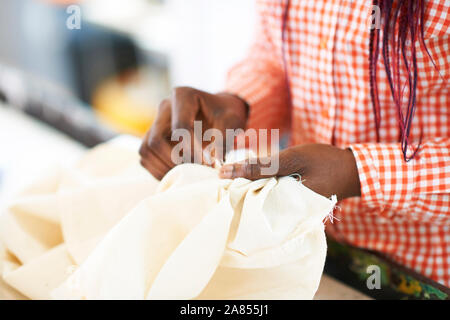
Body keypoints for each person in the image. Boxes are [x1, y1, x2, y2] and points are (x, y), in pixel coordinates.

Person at [139, 0, 449, 286]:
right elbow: (274, 55)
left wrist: (354, 172)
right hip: (310, 256)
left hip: (424, 274)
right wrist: (239, 104)